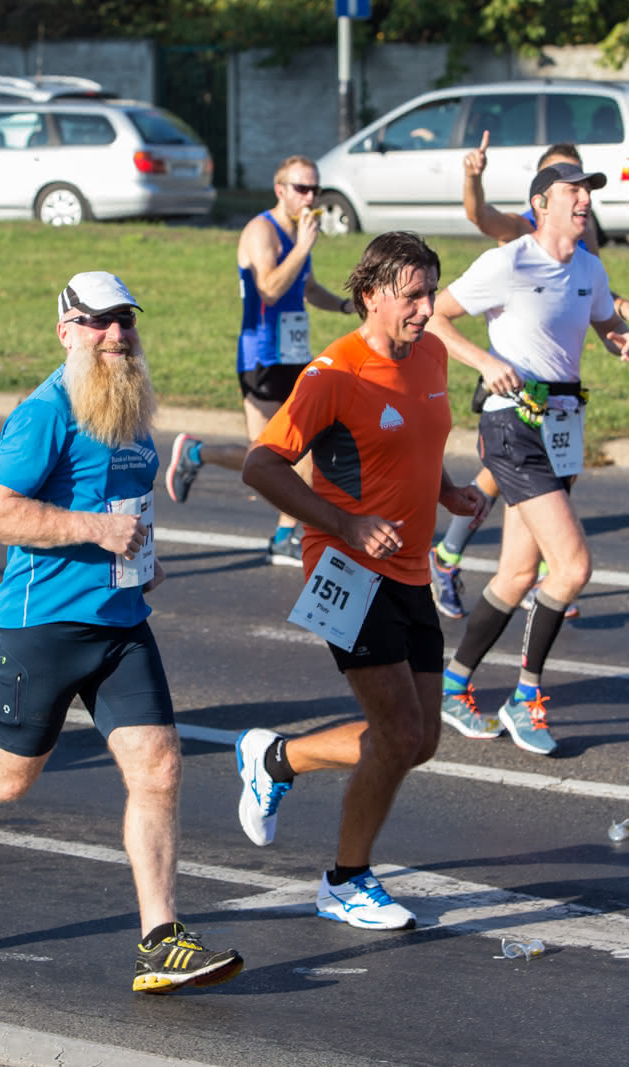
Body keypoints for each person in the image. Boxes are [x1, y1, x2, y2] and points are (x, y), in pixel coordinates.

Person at [0, 270, 244, 993]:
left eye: (125, 322)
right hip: (41, 625)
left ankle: (159, 938)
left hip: (121, 624)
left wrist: (144, 561)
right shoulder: (46, 411)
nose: (117, 335)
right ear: (67, 329)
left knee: (160, 767)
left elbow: (129, 505)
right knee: (7, 776)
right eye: (100, 323)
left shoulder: (131, 405)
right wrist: (97, 530)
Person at [235, 232, 488, 930]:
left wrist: (449, 492)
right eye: (413, 295)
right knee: (398, 730)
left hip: (406, 566)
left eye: (431, 292)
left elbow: (417, 439)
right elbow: (263, 464)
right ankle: (345, 880)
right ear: (372, 295)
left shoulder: (430, 352)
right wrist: (343, 525)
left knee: (420, 738)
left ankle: (275, 757)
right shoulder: (333, 374)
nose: (426, 307)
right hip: (344, 566)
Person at [424, 164, 629, 755]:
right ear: (540, 205)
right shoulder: (510, 261)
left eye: (588, 194)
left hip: (563, 427)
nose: (585, 202)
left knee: (519, 574)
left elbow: (601, 324)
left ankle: (452, 688)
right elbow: (435, 317)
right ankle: (525, 699)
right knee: (571, 569)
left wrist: (626, 342)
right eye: (574, 193)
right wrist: (482, 361)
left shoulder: (590, 268)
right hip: (511, 425)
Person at [163, 154, 356, 566]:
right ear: (280, 189)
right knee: (275, 453)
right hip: (262, 354)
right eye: (301, 188)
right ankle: (202, 457)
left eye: (315, 189)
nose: (310, 197)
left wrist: (343, 306)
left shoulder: (297, 231)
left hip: (294, 353)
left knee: (291, 450)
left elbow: (306, 286)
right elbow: (269, 288)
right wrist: (304, 245)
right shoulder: (260, 231)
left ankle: (281, 529)